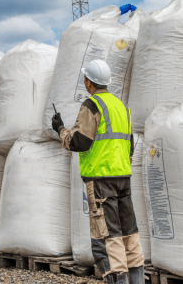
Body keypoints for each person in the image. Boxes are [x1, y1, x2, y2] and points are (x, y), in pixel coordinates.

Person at [52, 59, 143, 284]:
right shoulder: (121, 106)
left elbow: (80, 142)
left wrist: (60, 129)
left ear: (87, 81)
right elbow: (129, 144)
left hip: (101, 180)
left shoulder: (92, 105)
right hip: (123, 177)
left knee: (106, 238)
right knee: (129, 235)